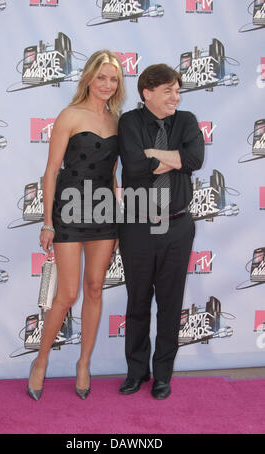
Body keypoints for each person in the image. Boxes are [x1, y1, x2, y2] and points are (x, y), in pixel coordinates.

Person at [27, 50, 124, 401]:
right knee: (67, 294)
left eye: (113, 79)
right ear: (88, 78)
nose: (107, 84)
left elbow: (112, 173)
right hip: (68, 211)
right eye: (102, 77)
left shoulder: (118, 121)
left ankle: (84, 364)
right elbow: (52, 170)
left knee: (95, 288)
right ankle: (40, 361)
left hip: (104, 215)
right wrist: (48, 221)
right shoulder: (69, 115)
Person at [118, 63, 204, 399]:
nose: (176, 96)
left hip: (178, 225)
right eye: (168, 90)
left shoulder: (186, 121)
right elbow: (136, 166)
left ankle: (163, 376)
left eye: (178, 90)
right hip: (138, 226)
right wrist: (172, 158)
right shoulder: (129, 122)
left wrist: (155, 154)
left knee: (170, 304)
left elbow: (195, 158)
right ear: (147, 92)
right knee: (137, 302)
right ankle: (136, 372)